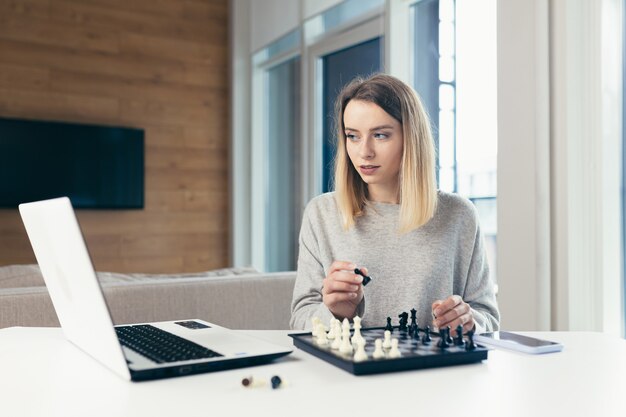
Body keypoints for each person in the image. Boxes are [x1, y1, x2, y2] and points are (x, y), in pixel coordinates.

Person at [289, 73, 500, 335]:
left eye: (380, 135)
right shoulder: (321, 214)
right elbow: (299, 319)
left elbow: (488, 317)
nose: (364, 151)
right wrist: (334, 313)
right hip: (349, 372)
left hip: (436, 372)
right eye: (352, 136)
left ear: (410, 138)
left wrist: (468, 321)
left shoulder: (459, 215)